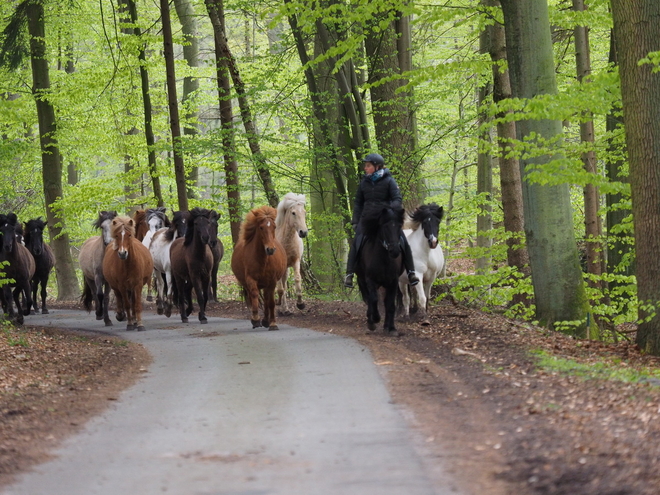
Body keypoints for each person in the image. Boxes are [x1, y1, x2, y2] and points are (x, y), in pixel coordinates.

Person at [344, 153, 420, 288]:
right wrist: (356, 221)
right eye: (365, 166)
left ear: (377, 166)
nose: (365, 168)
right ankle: (349, 274)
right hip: (367, 219)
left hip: (385, 218)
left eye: (368, 166)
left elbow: (397, 199)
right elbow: (358, 203)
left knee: (402, 241)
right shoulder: (364, 183)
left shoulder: (390, 181)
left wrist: (389, 211)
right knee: (356, 242)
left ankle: (411, 272)